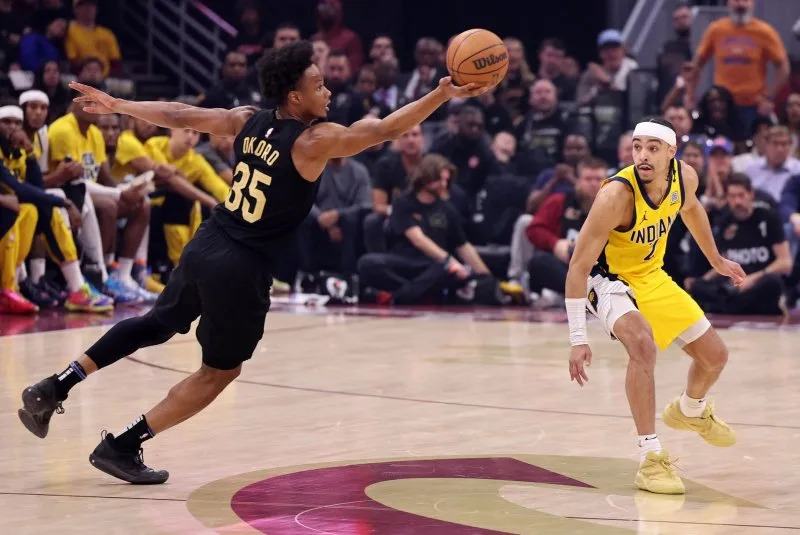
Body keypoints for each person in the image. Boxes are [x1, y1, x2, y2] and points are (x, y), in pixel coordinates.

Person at [17, 40, 488, 484]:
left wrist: (121, 106)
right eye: (318, 85)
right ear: (294, 96)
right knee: (221, 371)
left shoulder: (247, 119)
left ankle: (56, 385)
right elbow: (384, 130)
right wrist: (441, 92)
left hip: (209, 240)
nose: (328, 91)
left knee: (155, 322)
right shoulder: (313, 141)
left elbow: (179, 114)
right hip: (240, 266)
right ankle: (122, 445)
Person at [564, 118, 744, 495]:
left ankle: (690, 409)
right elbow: (578, 266)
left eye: (652, 148)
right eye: (637, 147)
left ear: (671, 153)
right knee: (643, 345)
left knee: (715, 357)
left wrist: (715, 259)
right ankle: (650, 457)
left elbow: (691, 209)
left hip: (651, 274)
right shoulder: (615, 195)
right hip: (607, 280)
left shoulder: (686, 177)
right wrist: (577, 337)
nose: (642, 156)